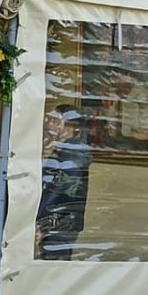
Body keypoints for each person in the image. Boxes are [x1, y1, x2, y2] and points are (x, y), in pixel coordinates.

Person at [36, 105, 91, 261]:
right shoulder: (64, 150)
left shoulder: (74, 154)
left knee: (54, 264)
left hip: (60, 222)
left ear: (70, 128)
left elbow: (59, 191)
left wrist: (41, 220)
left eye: (55, 121)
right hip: (58, 220)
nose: (50, 125)